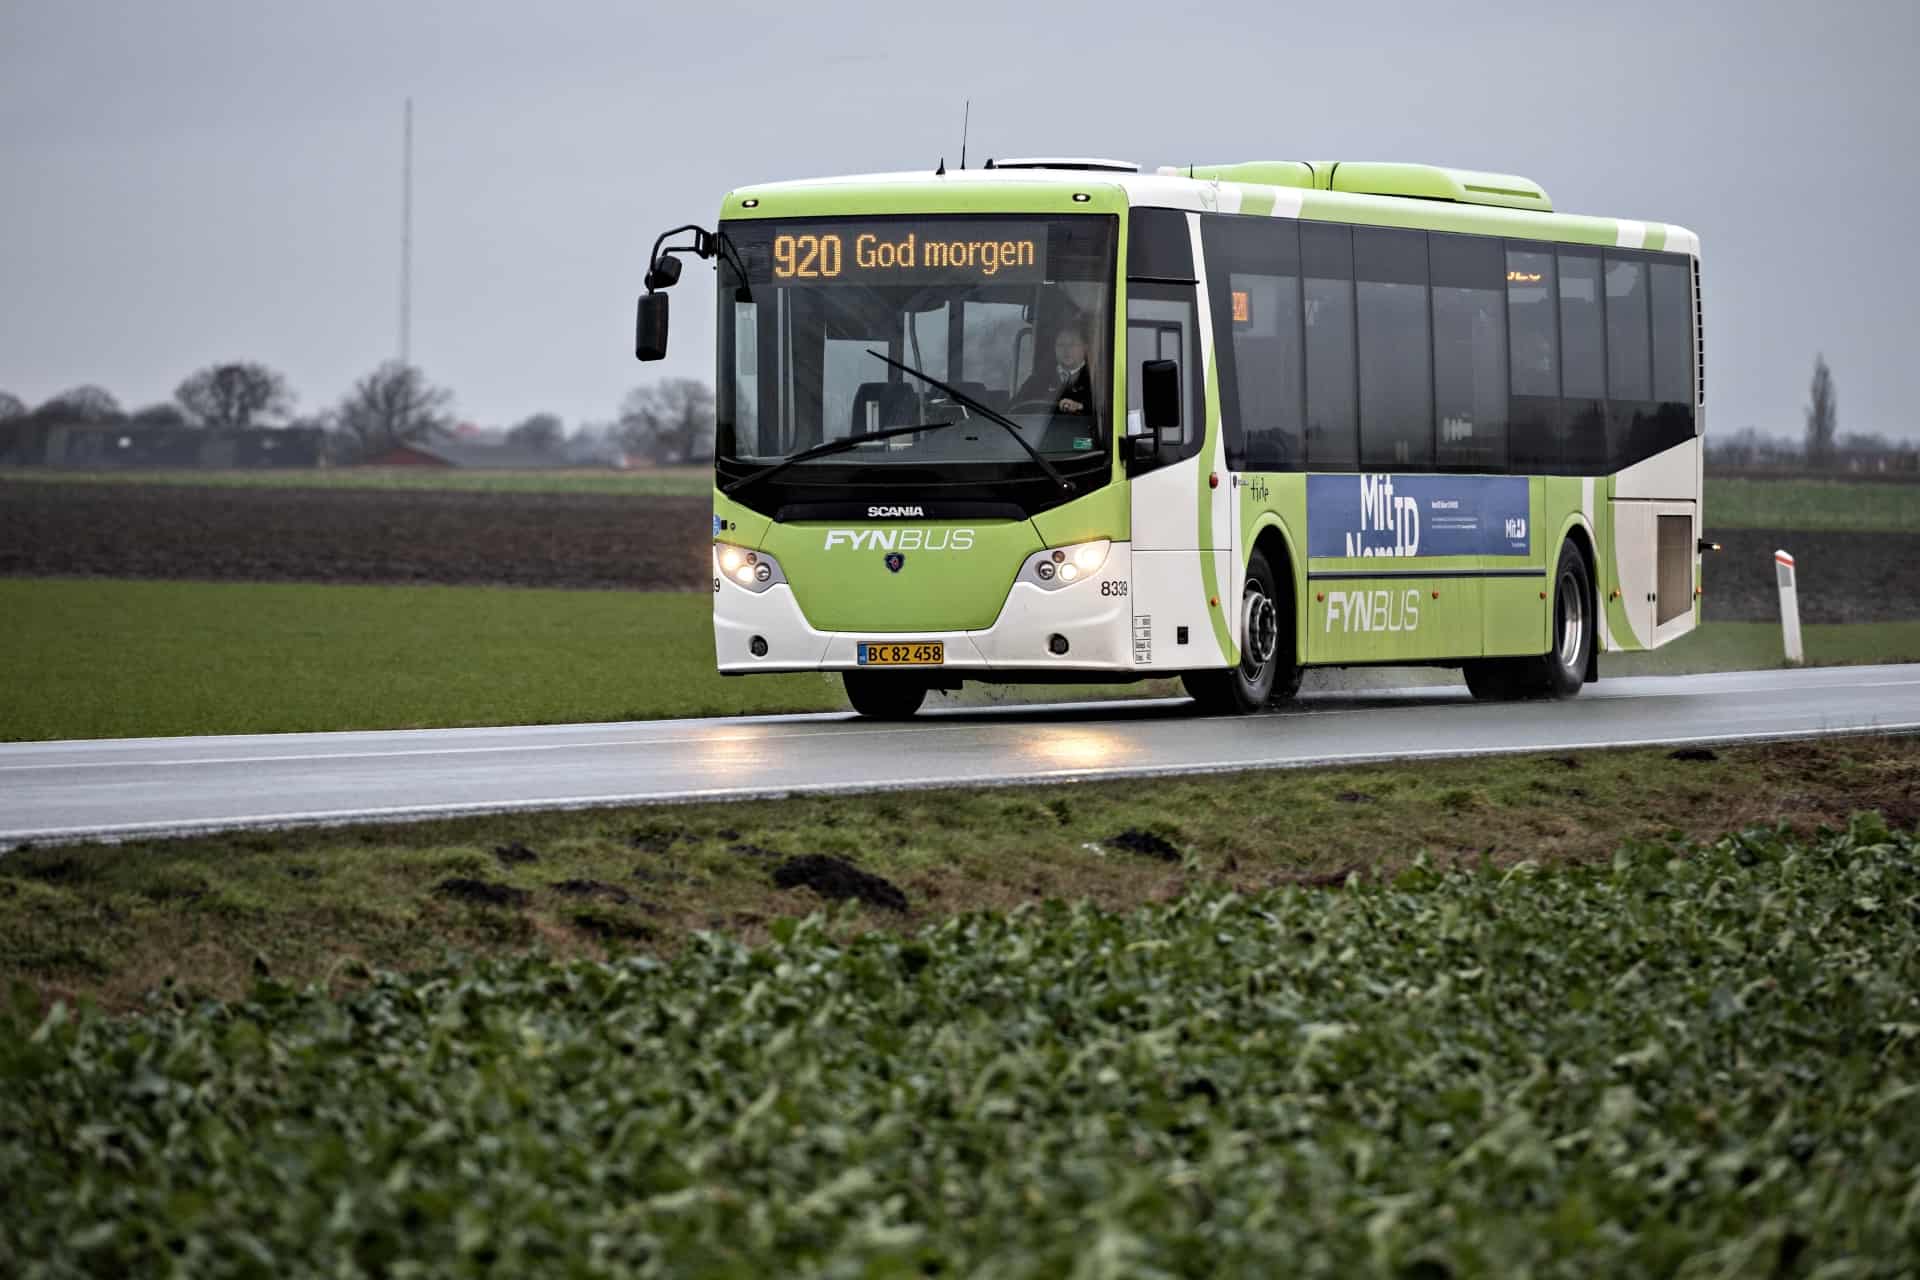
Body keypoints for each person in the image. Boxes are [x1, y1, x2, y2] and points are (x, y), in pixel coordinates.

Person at [1017, 323, 1093, 415]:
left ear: (1085, 347)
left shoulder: (1095, 380)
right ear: (1054, 348)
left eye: (1072, 344)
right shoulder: (1038, 378)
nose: (1066, 350)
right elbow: (1015, 406)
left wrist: (1080, 407)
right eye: (1061, 345)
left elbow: (1105, 414)